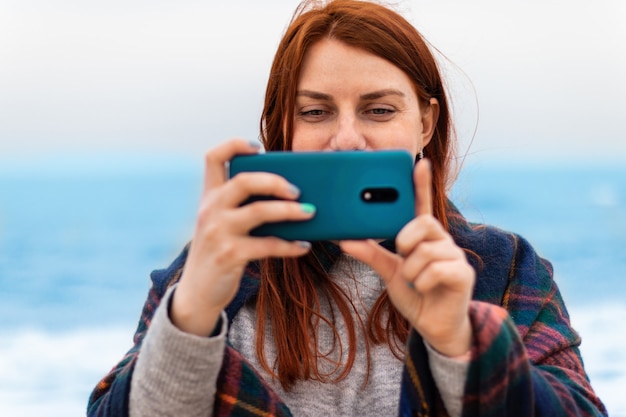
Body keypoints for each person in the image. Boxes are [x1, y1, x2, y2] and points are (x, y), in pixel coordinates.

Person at [87, 1, 607, 416]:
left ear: (425, 124)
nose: (347, 139)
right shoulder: (209, 271)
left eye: (379, 110)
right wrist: (192, 314)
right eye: (315, 112)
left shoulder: (505, 267)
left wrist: (461, 342)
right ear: (282, 129)